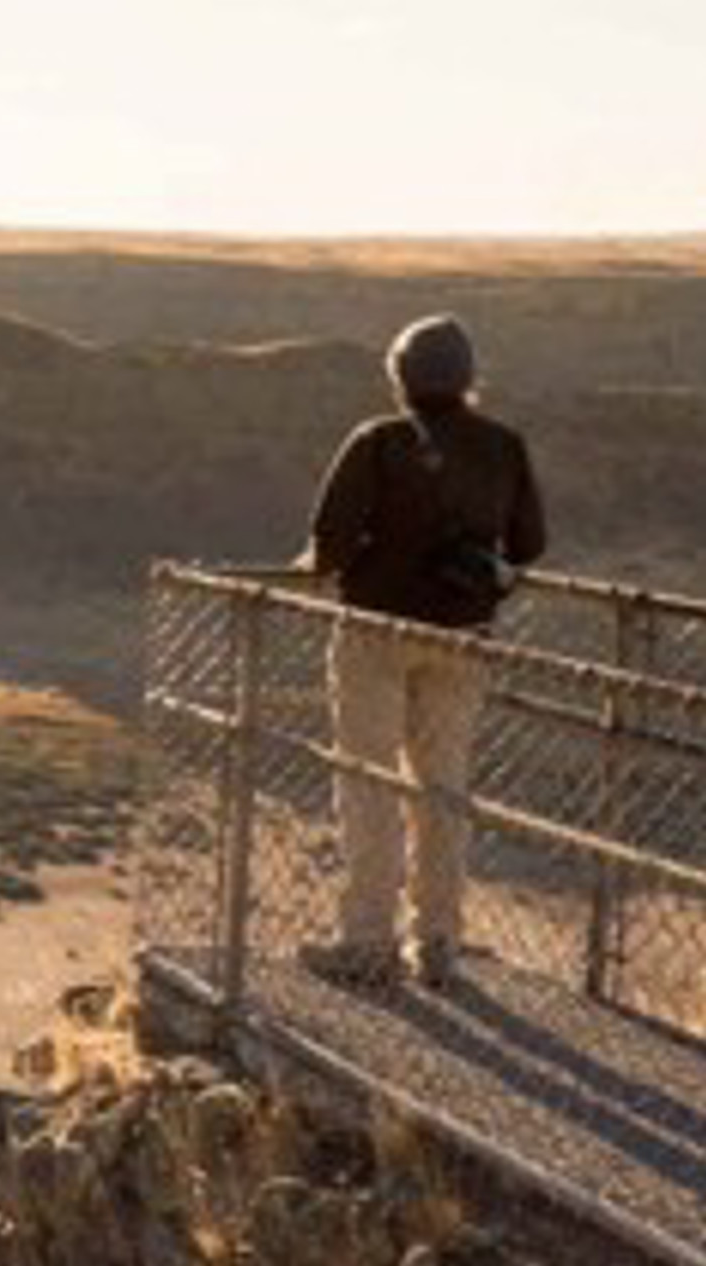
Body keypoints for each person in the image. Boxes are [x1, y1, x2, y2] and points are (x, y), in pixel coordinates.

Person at [300, 313, 548, 988]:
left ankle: (365, 943)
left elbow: (329, 544)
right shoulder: (505, 445)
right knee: (442, 789)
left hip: (376, 632)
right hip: (461, 638)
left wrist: (349, 558)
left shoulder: (378, 441)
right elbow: (528, 546)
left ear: (399, 377)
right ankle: (437, 942)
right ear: (469, 378)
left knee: (368, 783)